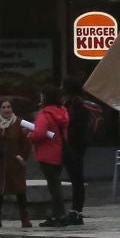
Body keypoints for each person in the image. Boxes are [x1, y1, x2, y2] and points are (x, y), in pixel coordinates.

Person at [59, 77, 104, 226]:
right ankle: (76, 211)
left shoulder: (75, 105)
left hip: (74, 146)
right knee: (76, 180)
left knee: (77, 180)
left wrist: (69, 143)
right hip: (78, 146)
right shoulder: (78, 103)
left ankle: (76, 212)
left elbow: (75, 128)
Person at [28, 84, 71, 227]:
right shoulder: (63, 111)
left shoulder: (45, 114)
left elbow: (39, 133)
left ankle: (58, 215)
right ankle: (57, 214)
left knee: (53, 186)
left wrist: (30, 136)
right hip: (60, 151)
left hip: (46, 153)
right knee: (55, 183)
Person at [0, 99, 32, 229]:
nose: (7, 110)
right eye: (4, 107)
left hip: (14, 163)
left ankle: (25, 218)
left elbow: (26, 143)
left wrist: (22, 157)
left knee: (20, 191)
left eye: (9, 107)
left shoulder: (18, 124)